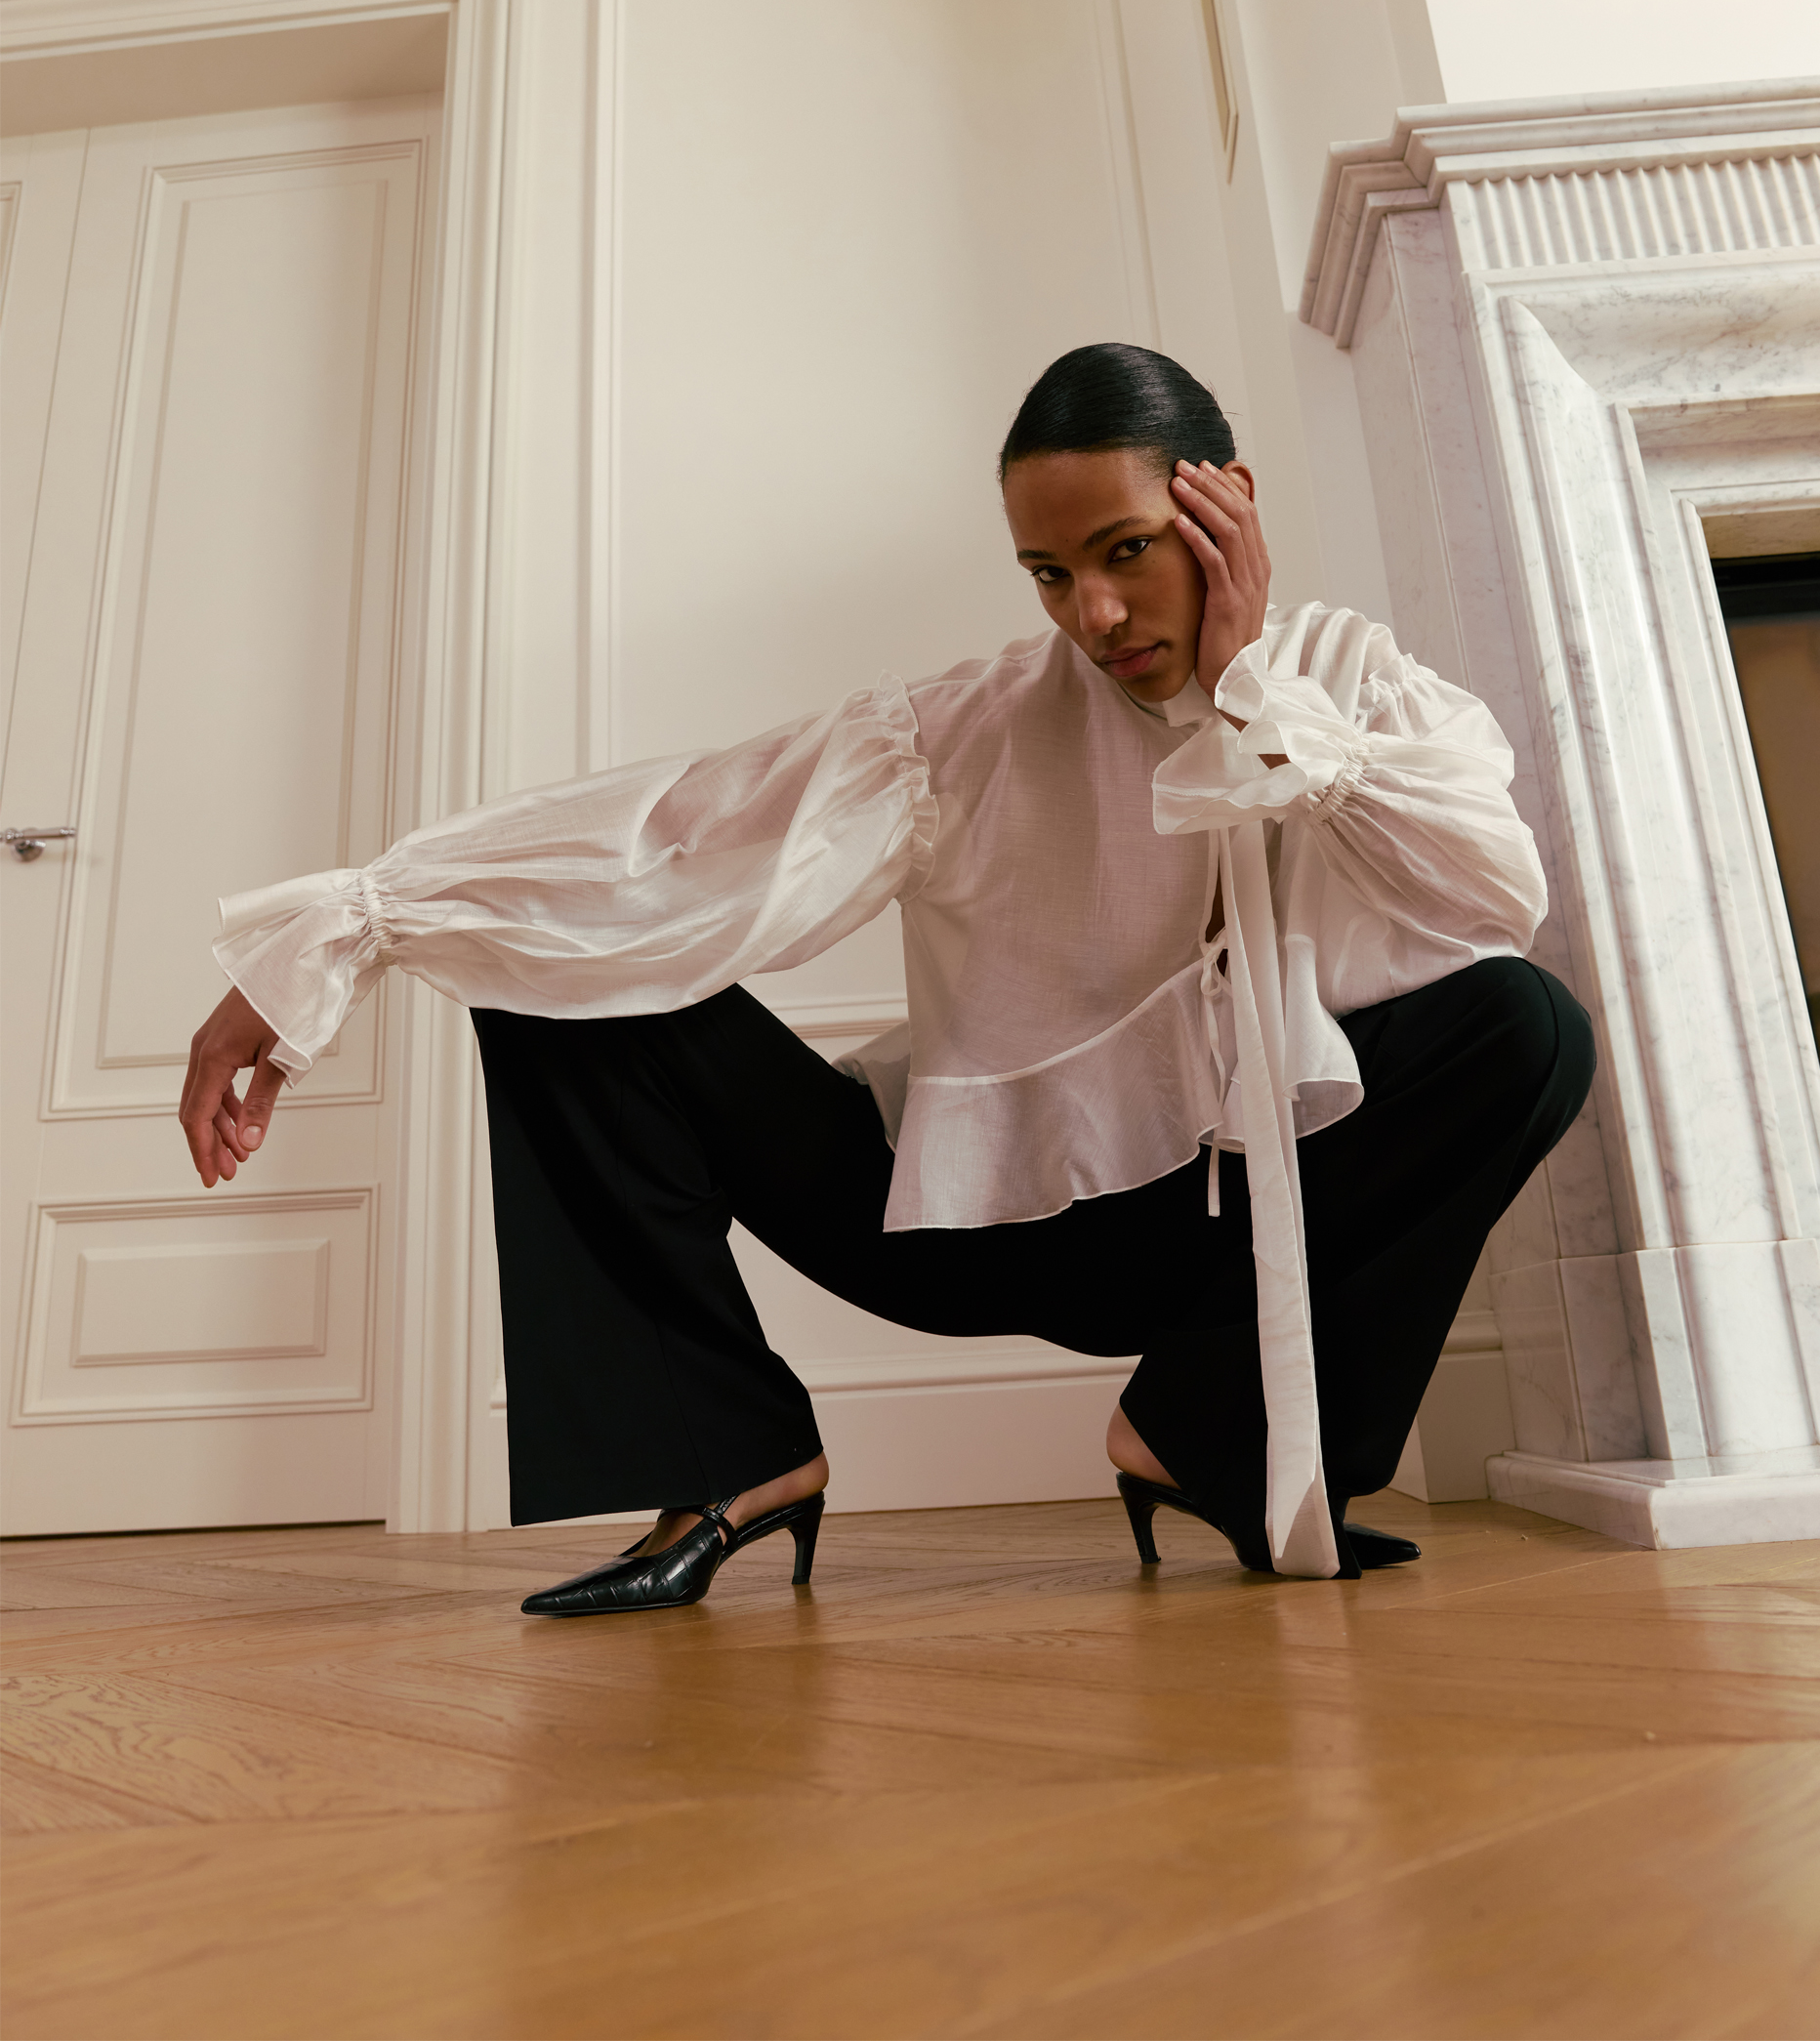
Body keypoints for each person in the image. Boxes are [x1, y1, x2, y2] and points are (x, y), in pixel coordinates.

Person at [179, 344, 1592, 1611]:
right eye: (1051, 575)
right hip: (988, 1226)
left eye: (1127, 551)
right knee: (569, 967)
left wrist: (1251, 700)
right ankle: (727, 1456)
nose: (1096, 613)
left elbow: (1488, 894)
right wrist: (340, 933)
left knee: (1526, 1027)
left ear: (1226, 507)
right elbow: (676, 842)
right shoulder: (959, 732)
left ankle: (1209, 1438)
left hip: (1243, 1219)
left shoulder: (1350, 680)